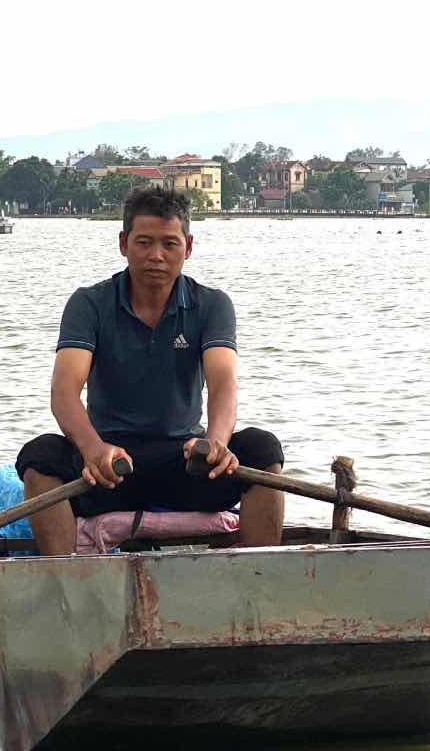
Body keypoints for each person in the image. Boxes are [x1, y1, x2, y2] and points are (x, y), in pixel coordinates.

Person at [15, 186, 285, 556]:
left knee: (261, 447)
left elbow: (223, 383)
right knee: (40, 456)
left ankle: (261, 572)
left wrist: (216, 442)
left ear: (188, 247)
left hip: (184, 462)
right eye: (143, 243)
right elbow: (64, 393)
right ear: (123, 243)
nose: (156, 256)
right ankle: (63, 577)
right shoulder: (89, 303)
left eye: (169, 244)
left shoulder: (211, 304)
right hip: (110, 467)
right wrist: (93, 450)